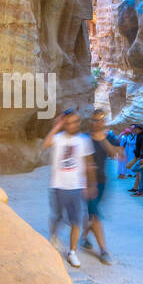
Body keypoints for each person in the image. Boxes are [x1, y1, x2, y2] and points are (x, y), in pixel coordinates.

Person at [44, 109, 96, 268]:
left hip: (76, 187)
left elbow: (89, 164)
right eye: (69, 122)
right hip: (58, 186)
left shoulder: (84, 141)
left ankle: (72, 252)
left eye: (76, 121)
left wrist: (91, 184)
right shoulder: (58, 138)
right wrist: (56, 126)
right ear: (64, 123)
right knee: (57, 217)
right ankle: (54, 236)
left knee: (76, 221)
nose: (73, 125)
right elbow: (45, 144)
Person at [80, 109, 123, 264]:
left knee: (91, 213)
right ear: (90, 121)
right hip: (86, 182)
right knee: (95, 214)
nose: (97, 123)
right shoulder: (84, 138)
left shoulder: (110, 137)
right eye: (94, 120)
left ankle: (84, 237)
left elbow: (116, 155)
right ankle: (103, 250)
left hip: (103, 182)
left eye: (100, 120)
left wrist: (103, 138)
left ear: (105, 121)